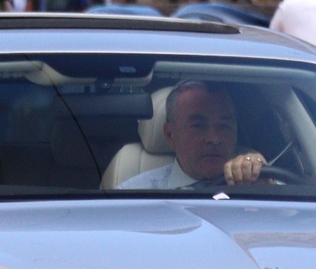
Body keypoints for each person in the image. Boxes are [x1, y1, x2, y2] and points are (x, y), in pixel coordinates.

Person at [115, 80, 269, 190]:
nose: (214, 139)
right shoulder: (135, 197)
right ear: (170, 135)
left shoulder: (257, 185)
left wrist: (263, 185)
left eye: (224, 126)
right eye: (198, 126)